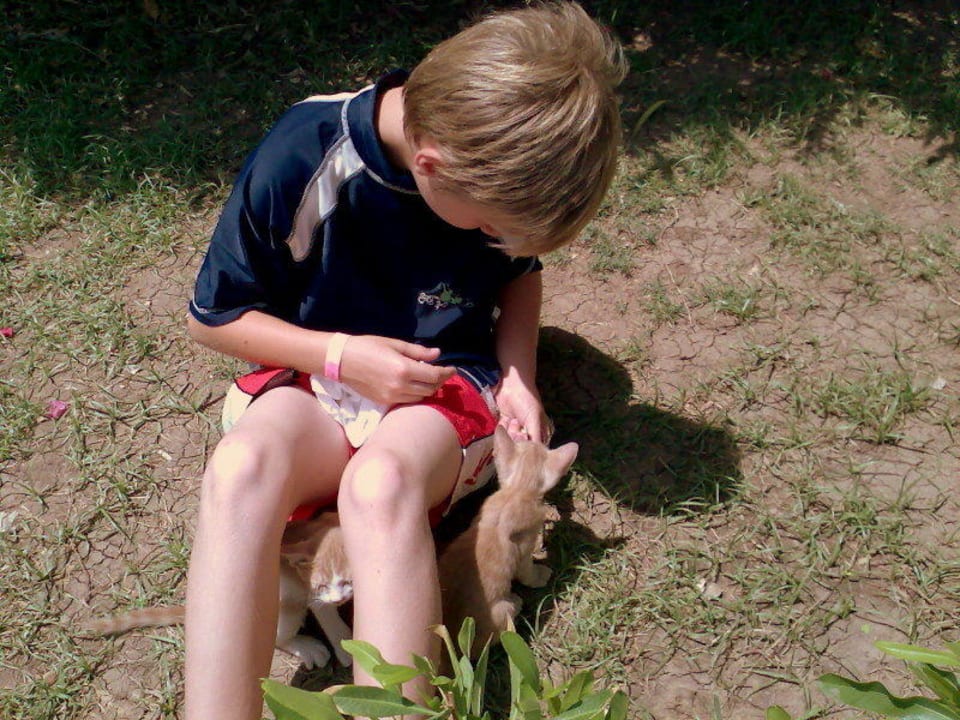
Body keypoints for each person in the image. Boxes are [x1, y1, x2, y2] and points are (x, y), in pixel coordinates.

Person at [182, 2, 626, 718]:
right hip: (317, 374)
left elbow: (521, 272)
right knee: (239, 470)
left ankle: (397, 710)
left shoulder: (494, 168)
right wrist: (338, 354)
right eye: (488, 228)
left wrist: (518, 372)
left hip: (444, 383)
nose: (499, 243)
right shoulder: (304, 154)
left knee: (380, 485)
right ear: (430, 166)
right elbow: (215, 317)